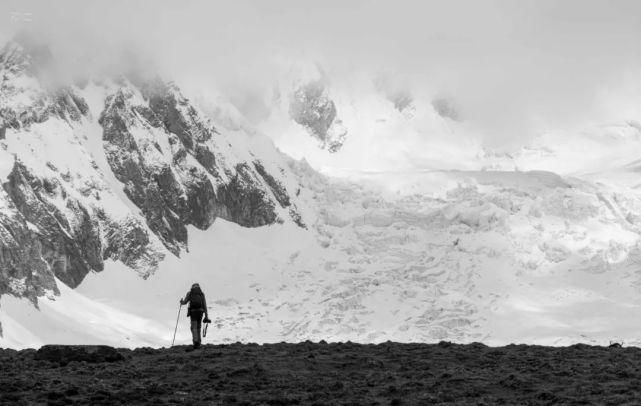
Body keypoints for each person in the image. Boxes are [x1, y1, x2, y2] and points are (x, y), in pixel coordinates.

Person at [180, 283, 210, 349]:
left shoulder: (190, 293)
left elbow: (185, 302)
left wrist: (181, 302)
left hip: (193, 312)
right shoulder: (201, 294)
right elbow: (204, 305)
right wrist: (206, 316)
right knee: (198, 327)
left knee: (194, 327)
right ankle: (199, 342)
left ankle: (195, 342)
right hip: (201, 312)